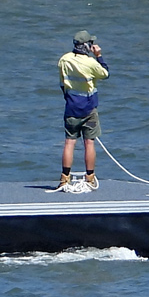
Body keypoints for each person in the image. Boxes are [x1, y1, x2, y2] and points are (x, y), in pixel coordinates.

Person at [55, 31, 107, 192]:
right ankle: (90, 178)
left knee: (69, 142)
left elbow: (63, 84)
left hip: (71, 107)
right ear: (87, 46)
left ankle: (64, 179)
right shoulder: (91, 63)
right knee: (89, 142)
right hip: (89, 108)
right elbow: (105, 73)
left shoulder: (64, 59)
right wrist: (99, 56)